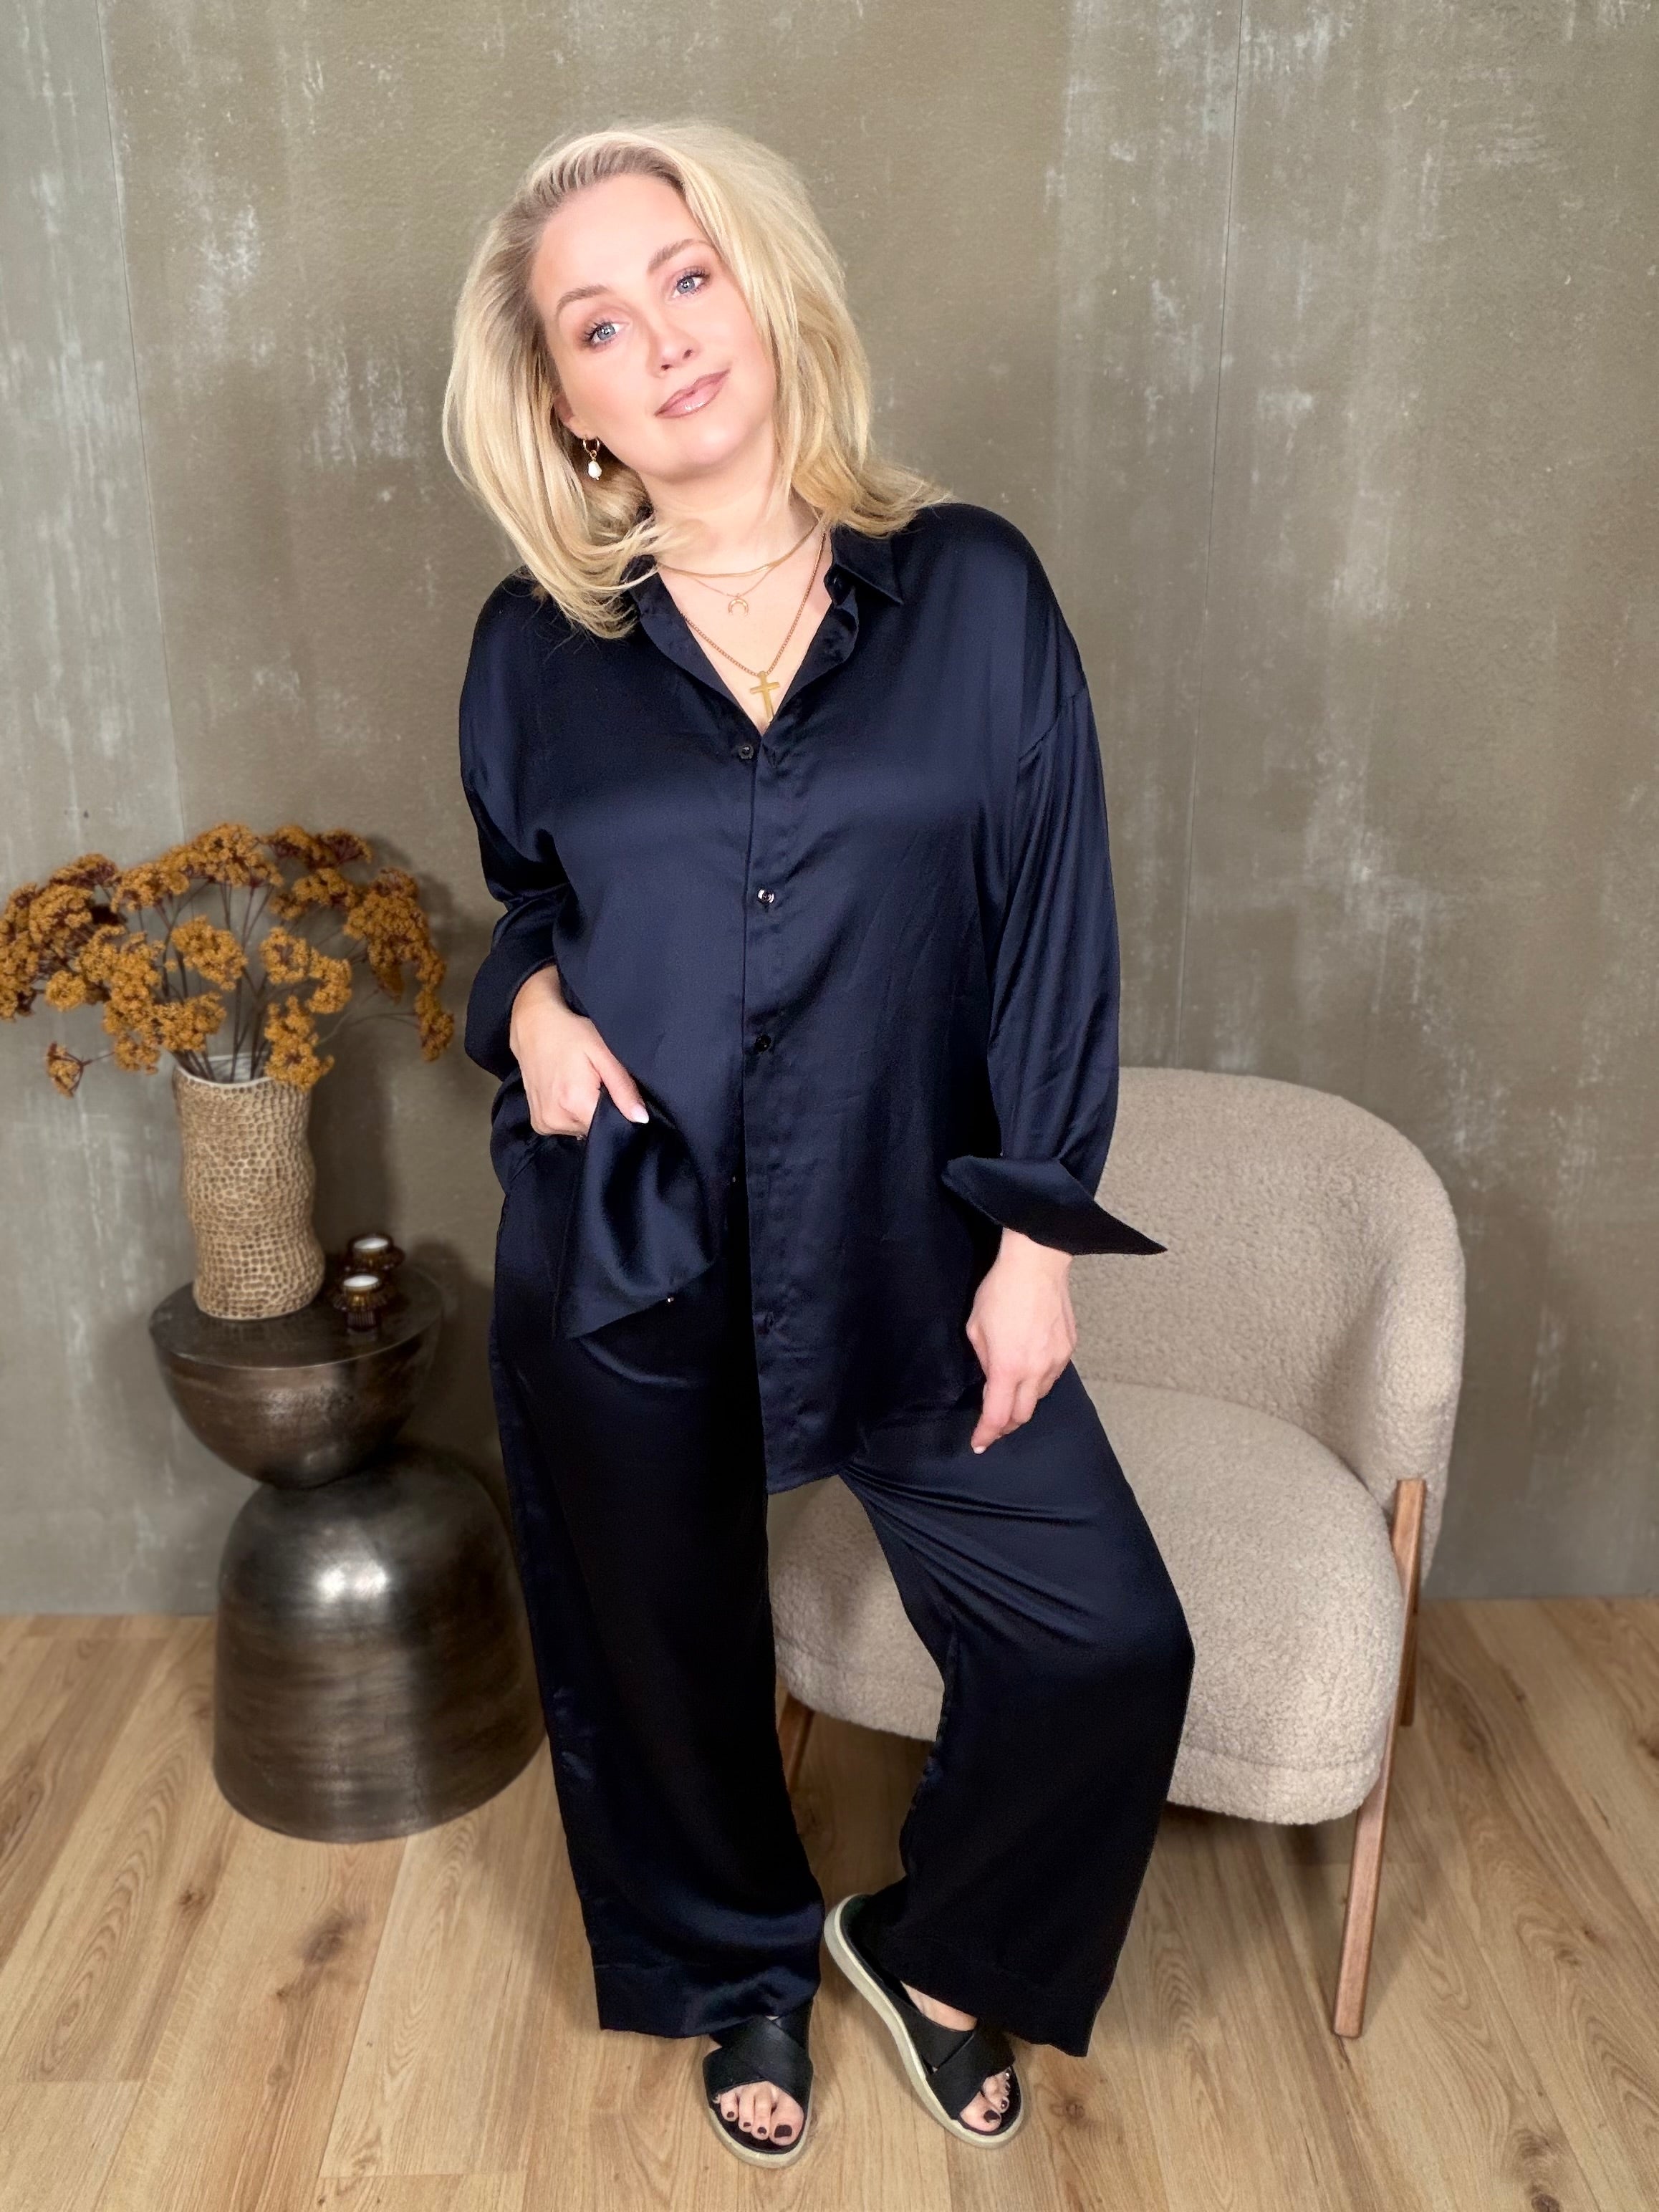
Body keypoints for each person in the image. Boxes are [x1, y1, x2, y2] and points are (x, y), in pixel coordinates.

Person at [442, 118, 1196, 2168]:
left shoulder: (974, 590)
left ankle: (935, 1950)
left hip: (916, 1243)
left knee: (1106, 1642)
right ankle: (735, 1968)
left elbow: (1054, 935)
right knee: (657, 1654)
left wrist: (1034, 1244)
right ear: (567, 406)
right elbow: (528, 902)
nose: (665, 340)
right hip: (635, 1240)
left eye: (686, 277)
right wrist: (525, 1008)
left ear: (765, 289)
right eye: (599, 324)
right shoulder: (533, 652)